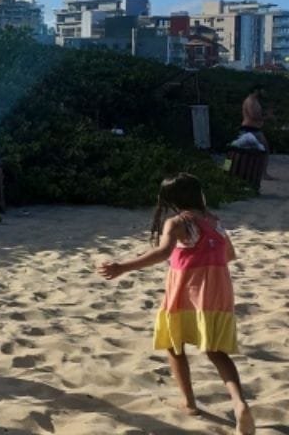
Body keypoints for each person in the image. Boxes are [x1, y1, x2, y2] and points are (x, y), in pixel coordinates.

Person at [97, 173, 254, 434]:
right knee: (216, 351)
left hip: (186, 291)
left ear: (170, 200)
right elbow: (229, 254)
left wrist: (122, 267)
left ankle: (189, 403)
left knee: (174, 344)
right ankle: (239, 403)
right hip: (217, 292)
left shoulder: (178, 222)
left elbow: (162, 252)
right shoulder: (214, 221)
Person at [240, 84, 272, 179]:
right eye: (262, 90)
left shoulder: (254, 100)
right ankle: (263, 174)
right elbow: (253, 116)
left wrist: (265, 114)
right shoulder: (250, 101)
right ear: (256, 90)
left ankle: (260, 173)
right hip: (250, 129)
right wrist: (267, 117)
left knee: (254, 152)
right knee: (264, 150)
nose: (263, 92)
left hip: (254, 129)